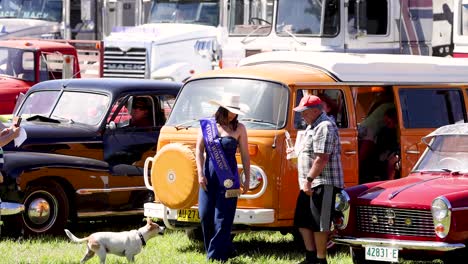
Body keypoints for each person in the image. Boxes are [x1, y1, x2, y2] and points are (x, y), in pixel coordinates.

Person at [288, 95, 344, 264]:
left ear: (314, 111)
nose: (301, 116)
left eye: (304, 112)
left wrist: (309, 179)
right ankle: (310, 257)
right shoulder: (312, 126)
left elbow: (322, 158)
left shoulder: (324, 126)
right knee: (303, 220)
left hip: (323, 182)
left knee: (320, 222)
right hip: (310, 182)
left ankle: (321, 259)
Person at [195, 93, 250, 262]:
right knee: (205, 215)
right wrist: (200, 173)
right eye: (230, 110)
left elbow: (246, 155)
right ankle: (225, 248)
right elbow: (198, 150)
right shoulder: (208, 125)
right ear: (222, 108)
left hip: (229, 178)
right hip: (209, 176)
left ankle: (215, 257)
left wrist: (246, 178)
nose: (233, 114)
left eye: (235, 111)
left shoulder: (239, 128)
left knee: (223, 217)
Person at [375, 108, 399, 180]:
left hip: (397, 152)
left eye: (388, 121)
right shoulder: (384, 131)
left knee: (391, 161)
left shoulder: (398, 130)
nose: (386, 123)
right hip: (387, 151)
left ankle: (390, 181)